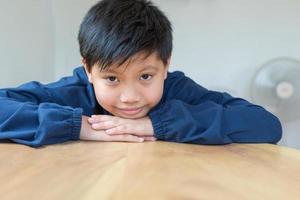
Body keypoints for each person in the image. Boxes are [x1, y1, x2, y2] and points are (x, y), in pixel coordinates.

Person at [0, 0, 282, 147]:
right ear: (88, 69)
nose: (130, 97)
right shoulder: (74, 92)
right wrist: (77, 126)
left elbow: (266, 125)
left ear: (166, 65)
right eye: (112, 78)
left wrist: (158, 125)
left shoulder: (177, 89)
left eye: (145, 76)